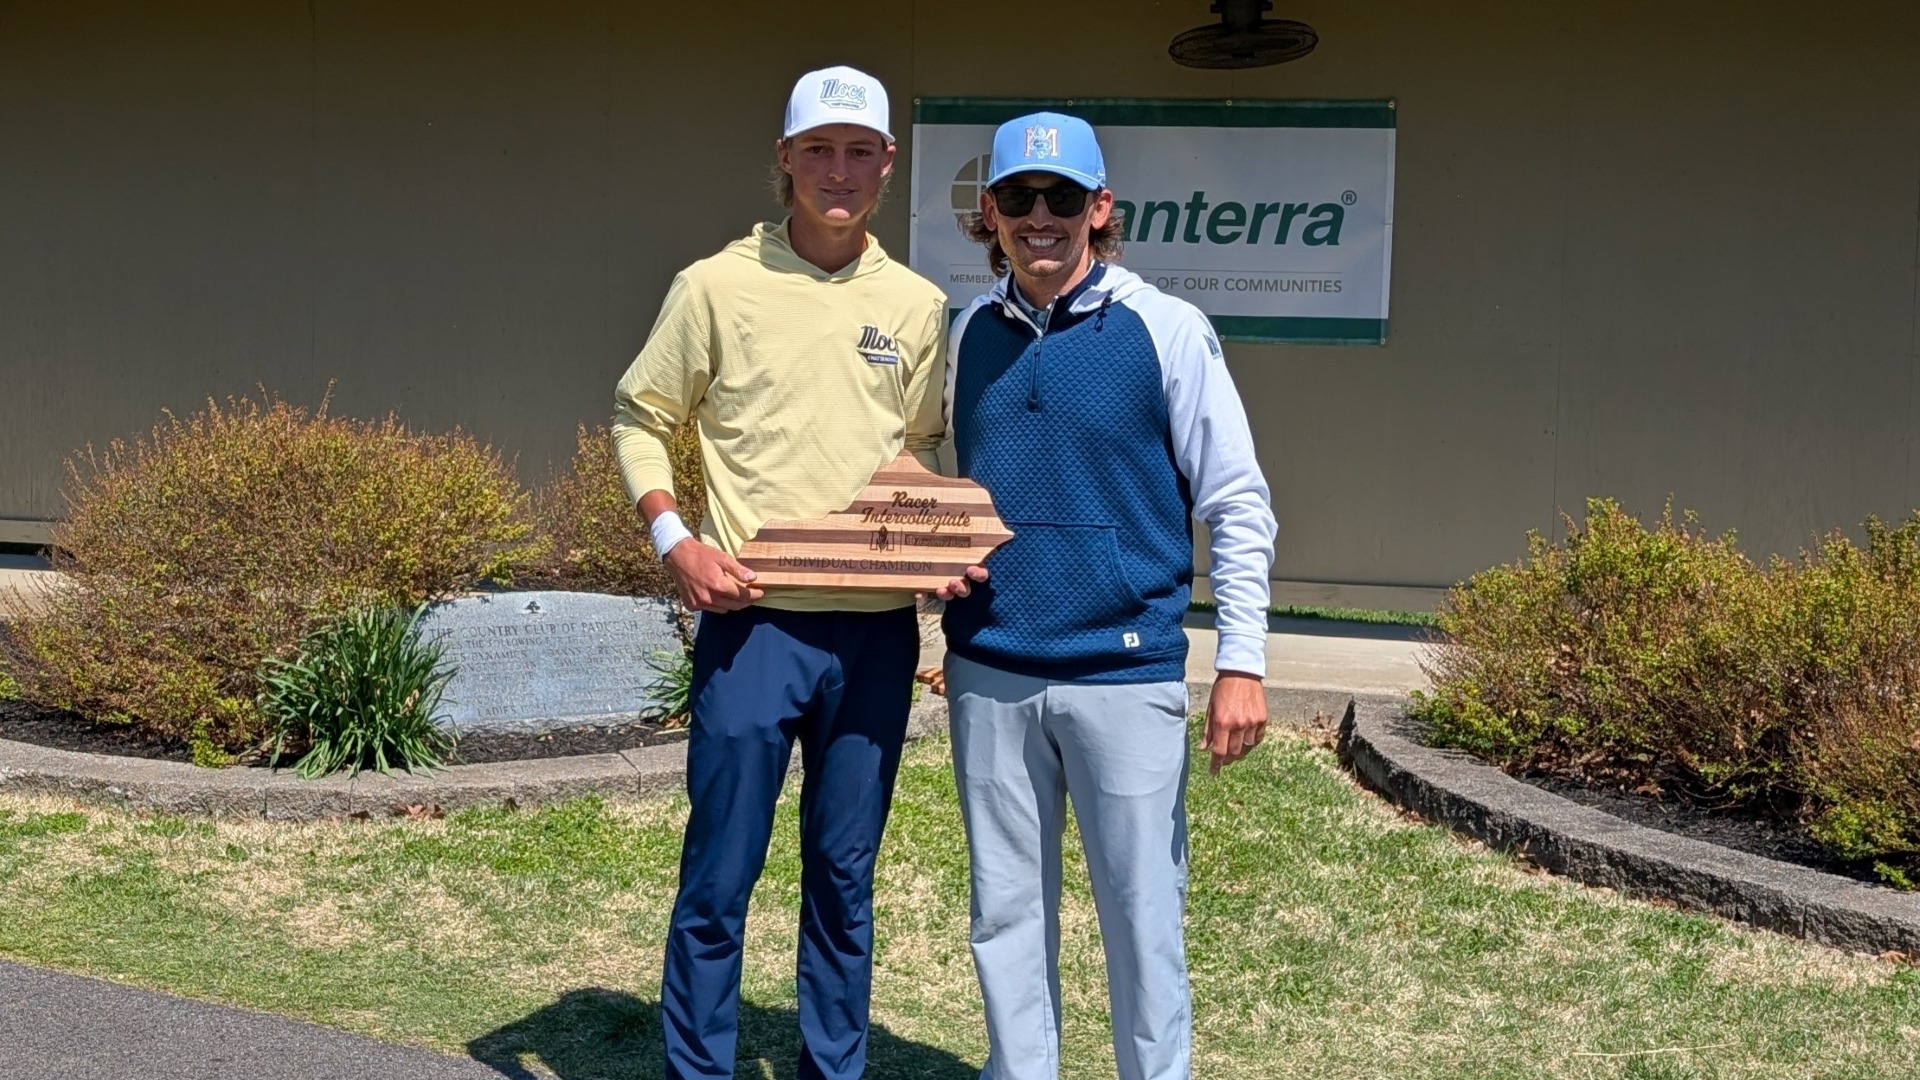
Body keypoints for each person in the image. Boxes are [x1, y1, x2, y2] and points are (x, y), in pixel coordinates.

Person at [612, 65, 960, 1080]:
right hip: (754, 630)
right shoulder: (715, 287)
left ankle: (831, 1070)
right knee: (720, 880)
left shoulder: (916, 305)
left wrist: (941, 559)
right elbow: (640, 417)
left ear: (888, 165)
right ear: (785, 160)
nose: (839, 171)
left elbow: (926, 451)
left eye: (860, 151)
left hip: (875, 638)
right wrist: (675, 541)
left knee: (844, 882)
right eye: (820, 150)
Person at [941, 111, 1278, 1080]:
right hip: (991, 673)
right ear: (990, 213)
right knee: (1003, 921)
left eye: (1060, 198)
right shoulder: (970, 335)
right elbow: (945, 490)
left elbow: (1239, 504)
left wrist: (1241, 662)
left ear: (1100, 209)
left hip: (1126, 679)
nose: (1038, 217)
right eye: (1017, 198)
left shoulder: (1165, 330)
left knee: (1142, 924)